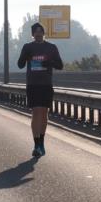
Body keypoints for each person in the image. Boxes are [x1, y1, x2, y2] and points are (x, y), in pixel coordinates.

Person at [17, 22, 64, 157]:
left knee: (44, 113)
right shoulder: (27, 47)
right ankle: (36, 144)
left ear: (44, 33)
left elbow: (60, 65)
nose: (38, 34)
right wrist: (25, 56)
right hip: (32, 84)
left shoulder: (51, 47)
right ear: (32, 34)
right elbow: (20, 65)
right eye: (35, 32)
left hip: (46, 84)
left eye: (40, 31)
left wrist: (50, 63)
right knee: (36, 112)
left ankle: (41, 142)